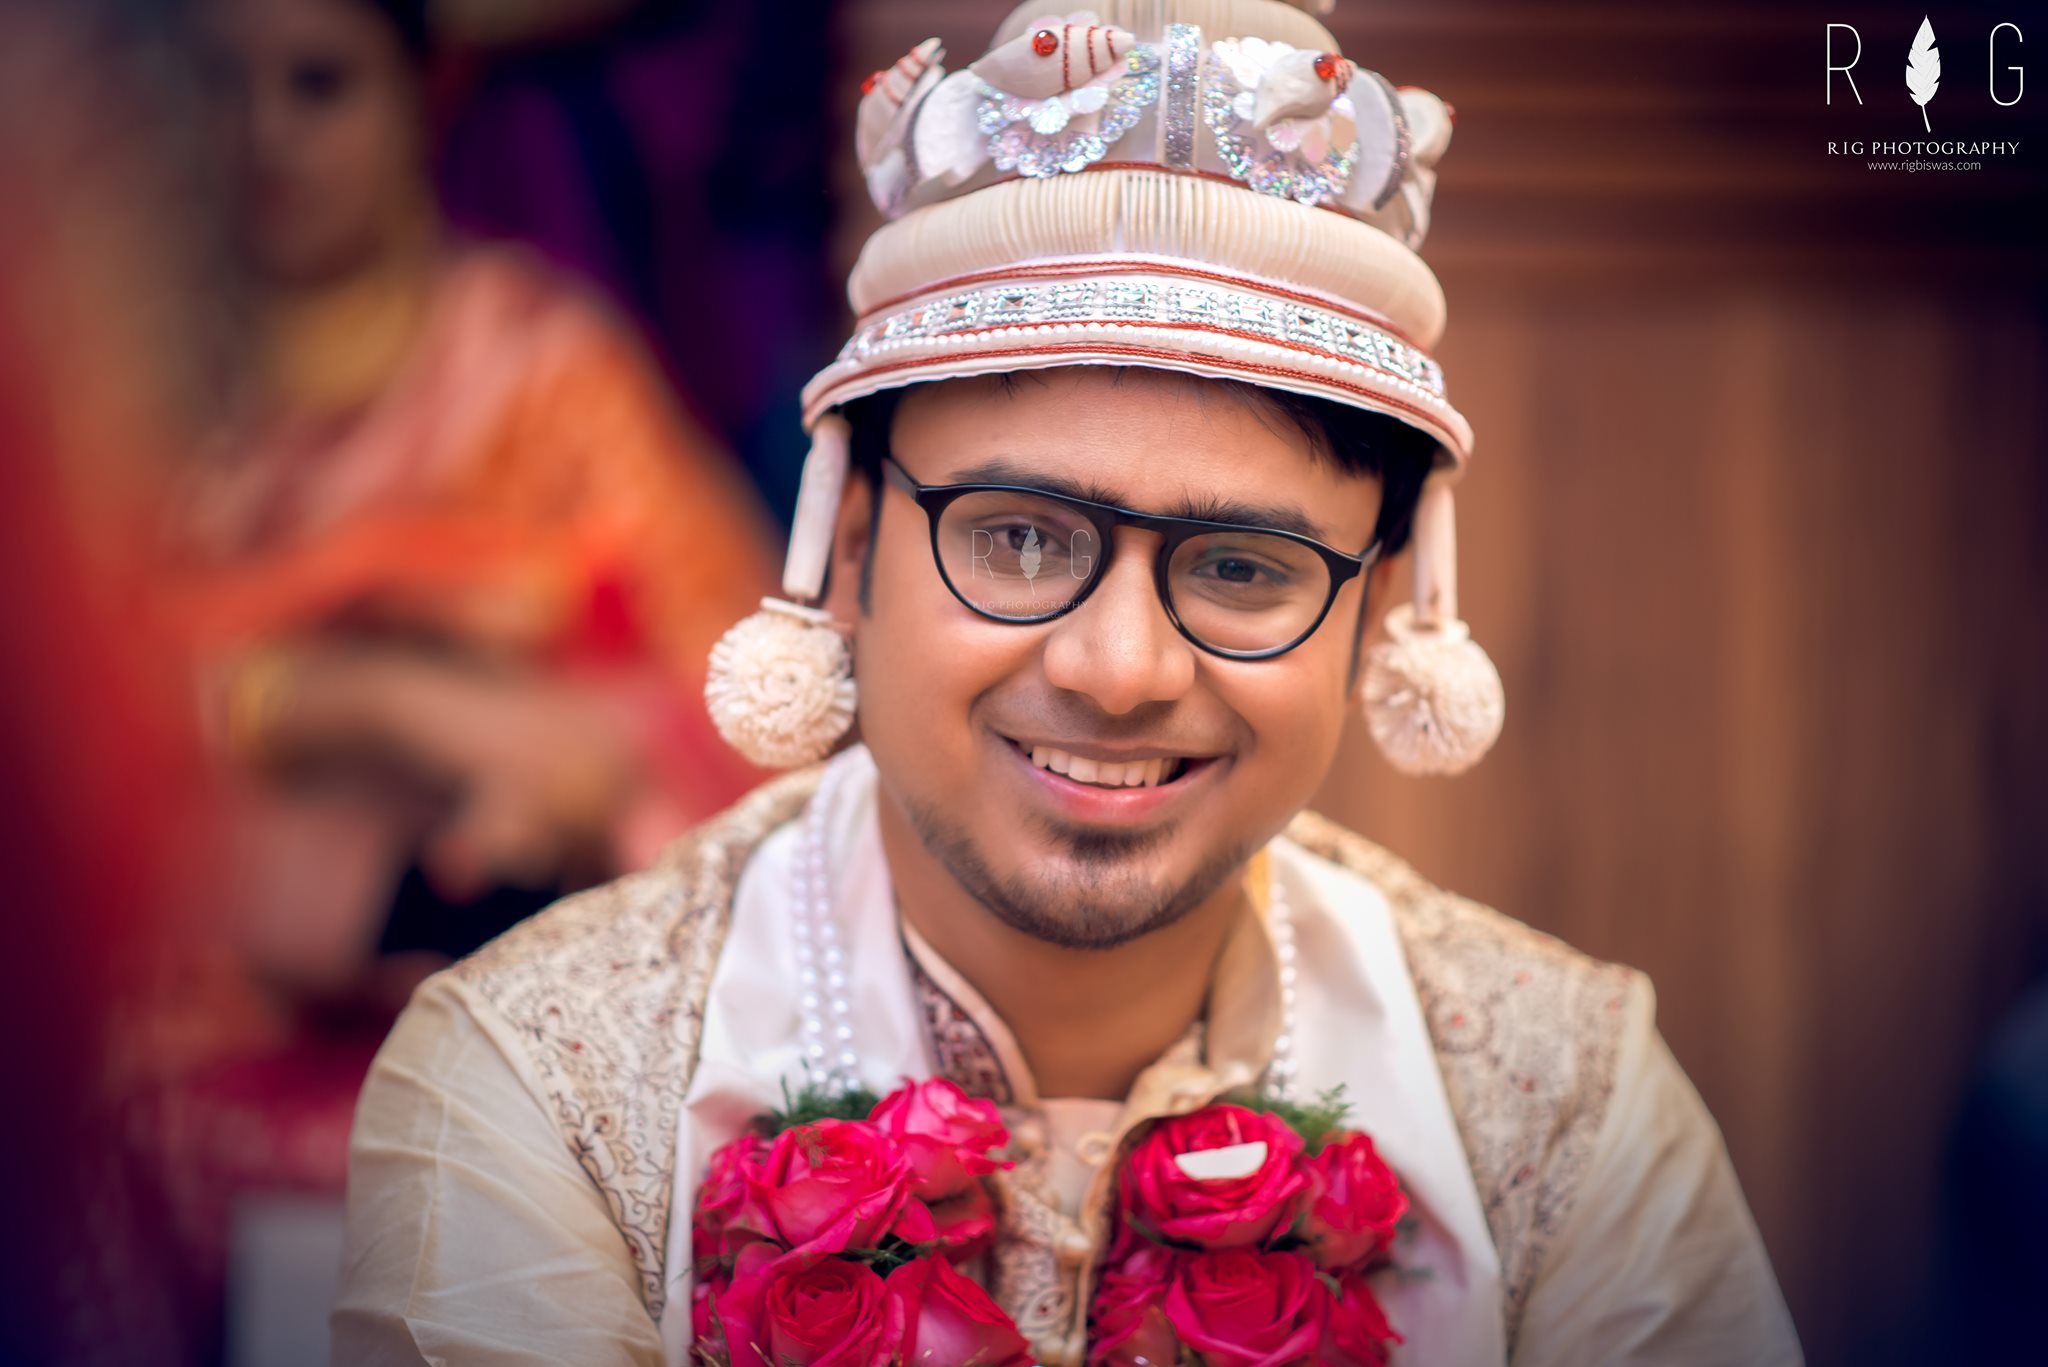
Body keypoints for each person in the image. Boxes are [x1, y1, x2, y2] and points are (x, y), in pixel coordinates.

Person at [336, 3, 1803, 1364]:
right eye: (1023, 540)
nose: (1118, 671)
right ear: (847, 547)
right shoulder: (535, 1090)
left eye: (1243, 569)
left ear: (1384, 609)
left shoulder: (1564, 1103)